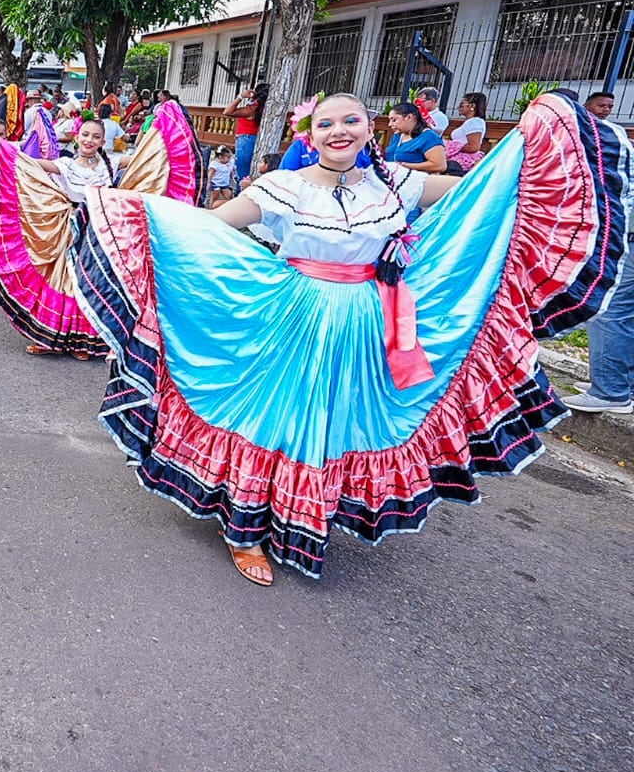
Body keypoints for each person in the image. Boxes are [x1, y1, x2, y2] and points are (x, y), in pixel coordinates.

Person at [69, 90, 628, 586]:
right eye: (326, 124)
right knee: (278, 416)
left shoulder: (397, 183)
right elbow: (211, 226)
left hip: (366, 320)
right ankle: (245, 533)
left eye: (351, 121)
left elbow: (480, 195)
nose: (339, 132)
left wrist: (531, 145)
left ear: (370, 128)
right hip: (294, 316)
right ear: (309, 135)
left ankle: (303, 511)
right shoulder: (283, 186)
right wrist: (131, 212)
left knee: (338, 420)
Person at [0, 101, 205, 361]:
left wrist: (165, 129)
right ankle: (49, 338)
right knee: (65, 281)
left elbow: (146, 159)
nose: (89, 140)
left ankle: (85, 342)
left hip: (101, 230)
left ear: (103, 140)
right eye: (85, 135)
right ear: (76, 136)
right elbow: (28, 162)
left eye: (95, 136)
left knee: (92, 283)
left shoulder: (112, 163)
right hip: (68, 229)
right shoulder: (65, 164)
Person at [562, 93, 634, 414]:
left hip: (627, 233)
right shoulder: (610, 134)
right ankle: (620, 383)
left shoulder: (588, 140)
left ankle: (611, 391)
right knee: (626, 312)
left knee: (608, 309)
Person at [383, 101, 448, 173]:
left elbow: (440, 166)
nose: (389, 124)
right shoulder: (397, 135)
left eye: (394, 120)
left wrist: (406, 166)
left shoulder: (429, 137)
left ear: (409, 117)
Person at [223, 82, 268, 184]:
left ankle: (239, 195)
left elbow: (227, 112)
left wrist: (241, 96)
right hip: (254, 138)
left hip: (245, 140)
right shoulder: (263, 108)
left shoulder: (252, 109)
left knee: (242, 174)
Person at [445, 91, 488, 173]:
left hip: (464, 161)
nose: (458, 107)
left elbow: (474, 147)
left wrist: (453, 146)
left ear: (472, 106)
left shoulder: (474, 122)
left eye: (462, 105)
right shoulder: (471, 122)